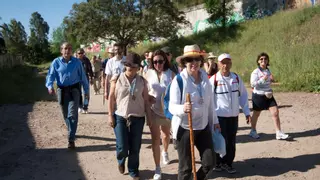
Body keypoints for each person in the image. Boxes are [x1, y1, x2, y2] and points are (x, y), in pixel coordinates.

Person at [169, 44, 220, 180]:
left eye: (197, 59)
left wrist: (215, 122)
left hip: (203, 127)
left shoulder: (205, 78)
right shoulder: (179, 80)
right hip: (185, 128)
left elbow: (210, 104)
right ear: (184, 62)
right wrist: (183, 108)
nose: (194, 63)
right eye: (190, 60)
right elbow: (171, 107)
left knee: (210, 163)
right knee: (185, 169)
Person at [108, 53, 152, 180]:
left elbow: (146, 100)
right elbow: (111, 98)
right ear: (124, 65)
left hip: (138, 117)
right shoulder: (116, 79)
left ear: (138, 67)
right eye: (127, 64)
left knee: (135, 146)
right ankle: (121, 160)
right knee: (122, 145)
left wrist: (149, 117)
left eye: (133, 65)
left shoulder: (142, 81)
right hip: (120, 116)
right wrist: (110, 116)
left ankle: (133, 170)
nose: (130, 67)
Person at [210, 53, 251, 174]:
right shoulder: (214, 80)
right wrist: (212, 118)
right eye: (223, 63)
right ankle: (218, 163)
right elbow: (210, 101)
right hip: (219, 117)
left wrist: (247, 112)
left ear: (231, 64)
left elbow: (243, 95)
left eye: (228, 62)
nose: (225, 65)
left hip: (234, 116)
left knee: (231, 141)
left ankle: (228, 163)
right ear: (218, 64)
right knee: (220, 140)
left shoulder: (236, 78)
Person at [45, 42, 89, 149]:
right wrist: (50, 86)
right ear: (61, 50)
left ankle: (71, 139)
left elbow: (83, 77)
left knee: (72, 114)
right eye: (65, 48)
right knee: (65, 115)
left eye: (69, 48)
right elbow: (50, 75)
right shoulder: (56, 62)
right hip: (62, 90)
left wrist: (86, 91)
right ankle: (71, 130)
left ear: (71, 51)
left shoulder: (77, 62)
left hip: (74, 90)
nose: (67, 50)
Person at [145, 50, 175, 180]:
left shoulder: (171, 74)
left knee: (166, 135)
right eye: (155, 62)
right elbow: (144, 90)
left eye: (160, 61)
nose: (158, 64)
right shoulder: (148, 73)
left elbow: (176, 91)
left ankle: (165, 151)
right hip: (153, 111)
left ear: (165, 61)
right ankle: (157, 168)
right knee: (155, 139)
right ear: (152, 62)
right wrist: (148, 97)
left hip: (166, 111)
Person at [249, 52, 289, 140]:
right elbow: (252, 84)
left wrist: (271, 80)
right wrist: (262, 79)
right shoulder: (255, 72)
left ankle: (278, 133)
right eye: (261, 59)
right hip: (258, 95)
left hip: (269, 94)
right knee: (256, 114)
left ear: (267, 61)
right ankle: (252, 131)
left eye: (265, 59)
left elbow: (268, 81)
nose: (264, 60)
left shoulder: (267, 70)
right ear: (258, 61)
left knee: (275, 112)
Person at [76, 48, 93, 114]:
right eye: (79, 53)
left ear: (83, 53)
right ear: (77, 54)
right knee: (78, 93)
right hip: (77, 78)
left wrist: (91, 78)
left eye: (82, 53)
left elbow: (90, 69)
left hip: (85, 78)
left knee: (86, 93)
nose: (80, 54)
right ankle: (80, 106)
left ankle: (85, 107)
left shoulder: (86, 60)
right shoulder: (75, 61)